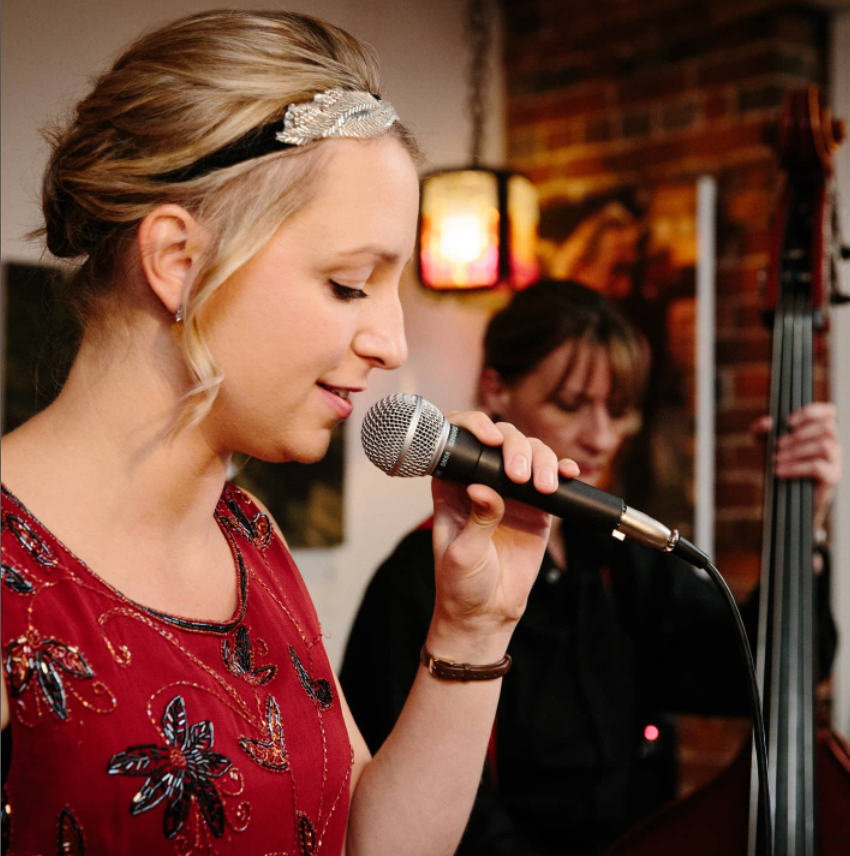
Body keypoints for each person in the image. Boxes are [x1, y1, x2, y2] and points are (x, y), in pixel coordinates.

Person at [0, 12, 580, 855]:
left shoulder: (251, 540)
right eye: (350, 285)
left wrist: (474, 627)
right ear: (178, 260)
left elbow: (367, 844)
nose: (392, 343)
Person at [341, 279, 842, 856]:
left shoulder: (617, 556)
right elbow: (435, 820)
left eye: (618, 409)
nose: (602, 436)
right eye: (572, 405)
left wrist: (806, 522)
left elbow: (757, 673)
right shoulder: (416, 577)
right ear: (496, 388)